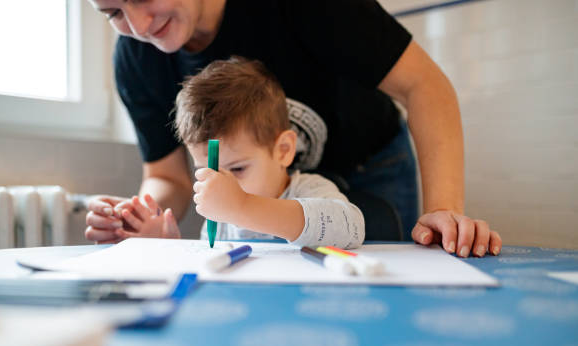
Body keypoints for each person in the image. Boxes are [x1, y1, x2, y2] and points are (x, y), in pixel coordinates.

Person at [85, 0, 502, 258]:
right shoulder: (136, 58)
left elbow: (424, 85)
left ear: (286, 147)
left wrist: (444, 211)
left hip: (370, 159)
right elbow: (165, 177)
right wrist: (140, 216)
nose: (138, 26)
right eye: (113, 12)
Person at [115, 57, 365, 249]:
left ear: (284, 150)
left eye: (237, 169)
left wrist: (243, 206)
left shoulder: (308, 190)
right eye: (207, 171)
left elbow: (351, 228)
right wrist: (166, 245)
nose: (223, 185)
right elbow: (211, 267)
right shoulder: (221, 213)